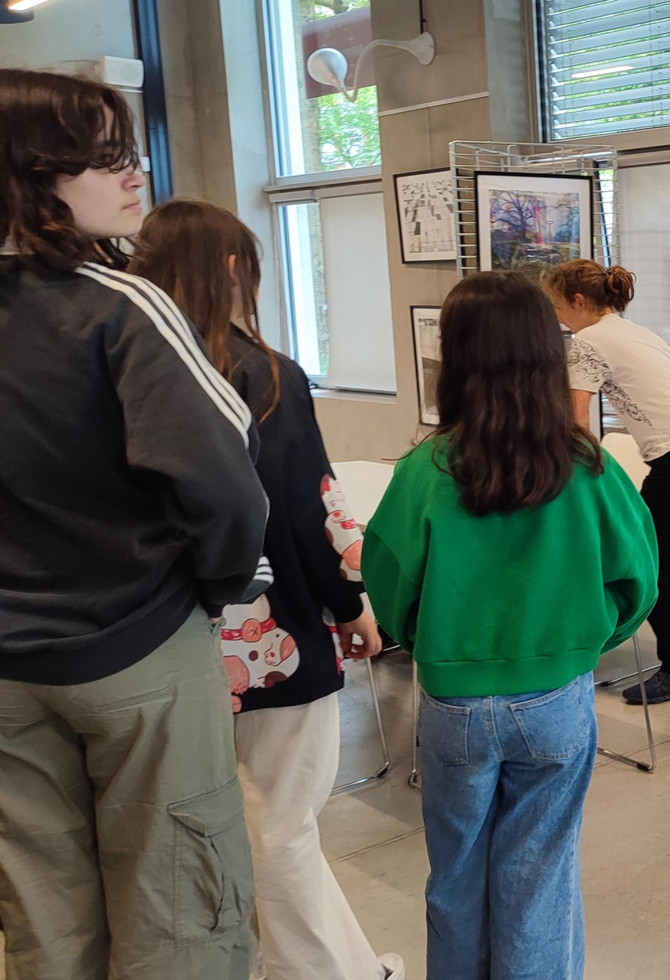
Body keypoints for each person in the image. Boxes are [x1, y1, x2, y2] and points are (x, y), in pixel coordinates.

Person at [0, 69, 268, 977]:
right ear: (32, 174)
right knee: (180, 911)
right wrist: (220, 588)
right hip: (136, 647)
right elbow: (226, 485)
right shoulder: (119, 303)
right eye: (103, 155)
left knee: (42, 919)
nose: (133, 173)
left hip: (6, 668)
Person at [132, 200, 404, 980]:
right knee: (284, 821)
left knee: (219, 824)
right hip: (270, 635)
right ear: (229, 271)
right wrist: (351, 606)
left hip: (156, 640)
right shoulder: (266, 376)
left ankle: (341, 965)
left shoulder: (122, 365)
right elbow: (308, 506)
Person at [362, 271, 659, 978]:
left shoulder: (425, 469)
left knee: (455, 876)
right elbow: (637, 578)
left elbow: (388, 580)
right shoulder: (587, 467)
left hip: (452, 703)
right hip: (556, 695)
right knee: (540, 878)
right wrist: (585, 640)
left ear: (455, 356)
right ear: (545, 353)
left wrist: (436, 644)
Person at [545, 259, 670, 705]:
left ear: (578, 301)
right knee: (659, 552)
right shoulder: (635, 330)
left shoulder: (587, 341)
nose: (556, 317)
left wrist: (574, 474)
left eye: (557, 306)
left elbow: (577, 421)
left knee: (644, 558)